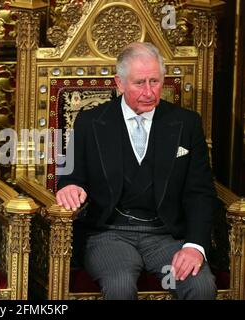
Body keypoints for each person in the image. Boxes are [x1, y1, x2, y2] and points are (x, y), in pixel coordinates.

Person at [56, 42, 217, 300]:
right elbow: (69, 174)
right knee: (120, 286)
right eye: (139, 83)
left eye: (155, 81)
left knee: (200, 286)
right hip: (109, 235)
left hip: (165, 236)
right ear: (119, 83)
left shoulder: (186, 123)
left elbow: (200, 192)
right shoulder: (90, 122)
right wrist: (69, 186)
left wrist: (195, 246)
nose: (149, 91)